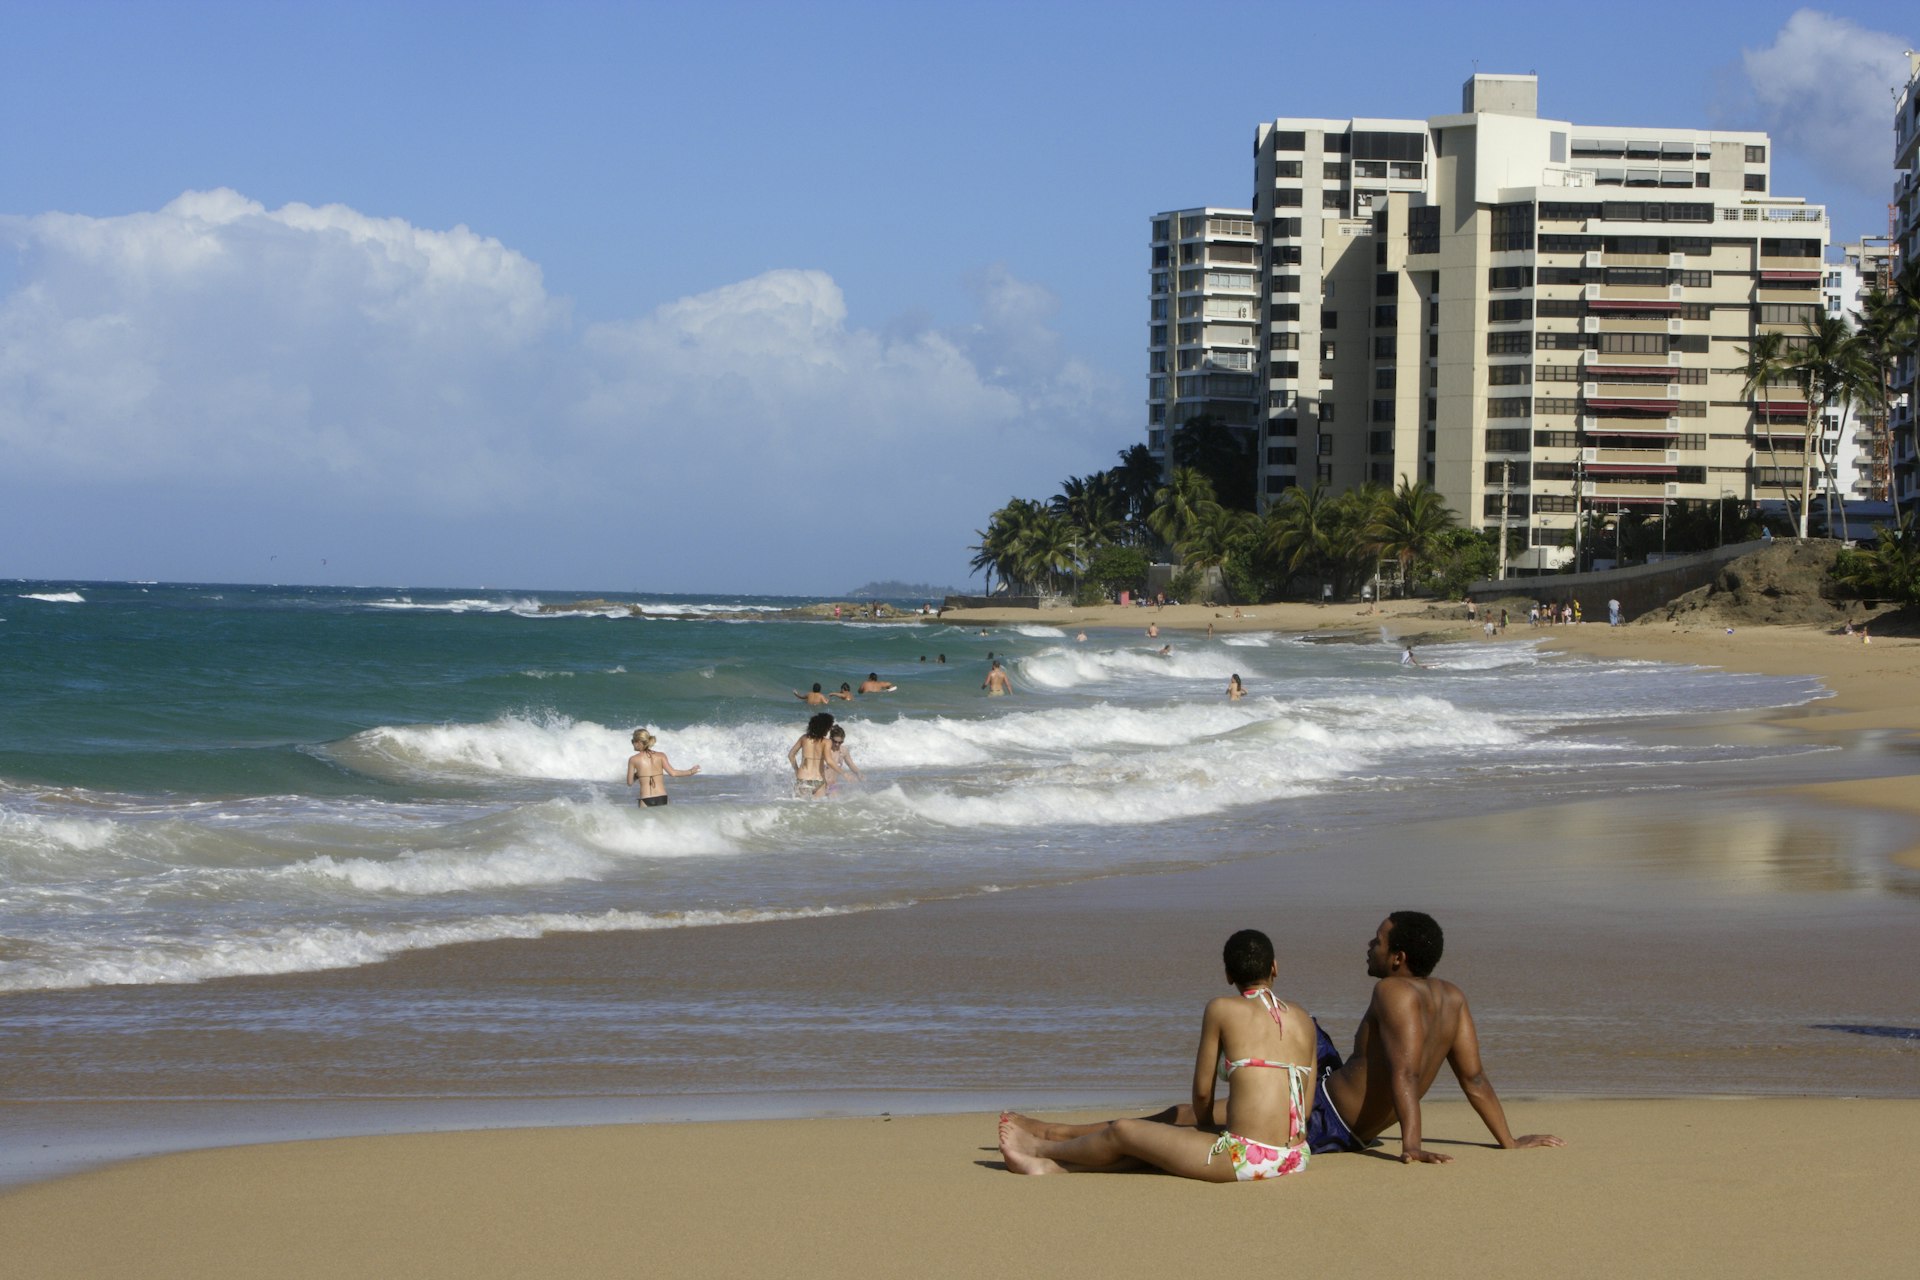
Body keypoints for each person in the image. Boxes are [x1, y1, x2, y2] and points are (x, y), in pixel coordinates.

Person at [1007, 911, 1562, 1166]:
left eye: (1377, 940)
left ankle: (1053, 1135)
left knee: (1197, 1116)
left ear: (1398, 958)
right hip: (1332, 1098)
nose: (1367, 946)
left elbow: (1405, 1072)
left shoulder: (1394, 993)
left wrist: (1411, 1145)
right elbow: (1475, 1078)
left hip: (1322, 1111)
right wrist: (1508, 1141)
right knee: (1225, 1094)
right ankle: (1055, 1130)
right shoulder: (1454, 996)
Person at [998, 930, 1315, 1181]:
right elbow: (1305, 1104)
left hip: (1246, 1160)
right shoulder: (1302, 1018)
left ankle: (1041, 1148)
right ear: (1275, 967)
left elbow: (1203, 1093)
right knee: (1161, 1141)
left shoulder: (1221, 1009)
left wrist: (1204, 1131)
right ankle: (1056, 1165)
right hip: (1296, 1157)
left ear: (1229, 976)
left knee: (1125, 1130)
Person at [625, 729, 700, 808]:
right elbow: (673, 773)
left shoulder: (633, 759)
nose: (632, 743)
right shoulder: (661, 755)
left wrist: (637, 774)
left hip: (645, 798)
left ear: (639, 742)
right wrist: (690, 771)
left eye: (633, 741)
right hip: (662, 797)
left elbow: (630, 783)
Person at [786, 712, 839, 797]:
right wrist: (844, 773)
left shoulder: (804, 738)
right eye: (828, 728)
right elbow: (829, 761)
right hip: (818, 780)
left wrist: (796, 769)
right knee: (817, 808)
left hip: (802, 778)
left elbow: (791, 755)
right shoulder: (827, 742)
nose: (829, 730)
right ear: (824, 728)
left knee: (799, 808)